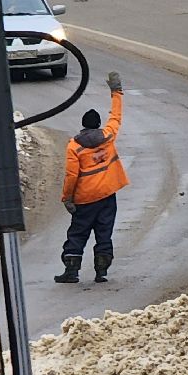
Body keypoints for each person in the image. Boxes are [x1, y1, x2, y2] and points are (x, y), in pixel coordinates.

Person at [55, 71, 127, 284]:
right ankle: (101, 272)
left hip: (85, 200)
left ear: (83, 125)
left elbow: (71, 176)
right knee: (104, 234)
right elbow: (116, 116)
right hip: (107, 196)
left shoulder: (74, 147)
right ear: (97, 125)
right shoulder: (108, 137)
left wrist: (67, 198)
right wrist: (116, 92)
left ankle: (71, 272)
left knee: (77, 234)